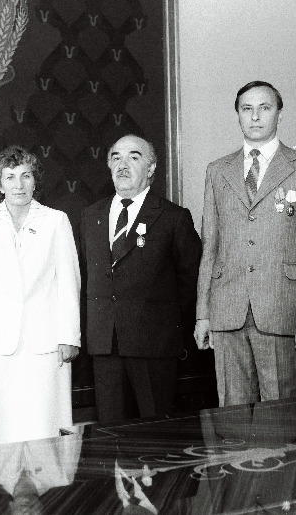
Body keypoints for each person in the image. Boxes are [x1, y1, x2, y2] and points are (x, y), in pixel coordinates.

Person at [194, 80, 296, 406]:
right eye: (247, 109)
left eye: (264, 108)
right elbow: (210, 248)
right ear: (238, 117)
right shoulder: (218, 171)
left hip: (281, 310)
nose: (255, 117)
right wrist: (203, 313)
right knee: (233, 415)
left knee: (280, 415)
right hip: (227, 311)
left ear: (279, 114)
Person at [0, 145, 81, 447]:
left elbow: (69, 282)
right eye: (10, 176)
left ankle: (47, 488)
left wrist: (70, 336)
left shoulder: (56, 221)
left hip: (45, 344)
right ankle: (1, 490)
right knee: (0, 430)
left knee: (43, 426)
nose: (18, 184)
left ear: (35, 181)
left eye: (25, 176)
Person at [79, 134, 201, 423]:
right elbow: (86, 275)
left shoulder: (174, 218)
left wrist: (161, 324)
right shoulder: (90, 215)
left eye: (134, 157)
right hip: (104, 346)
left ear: (151, 168)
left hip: (153, 346)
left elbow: (190, 281)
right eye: (116, 157)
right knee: (113, 437)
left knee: (155, 435)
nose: (123, 164)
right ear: (109, 165)